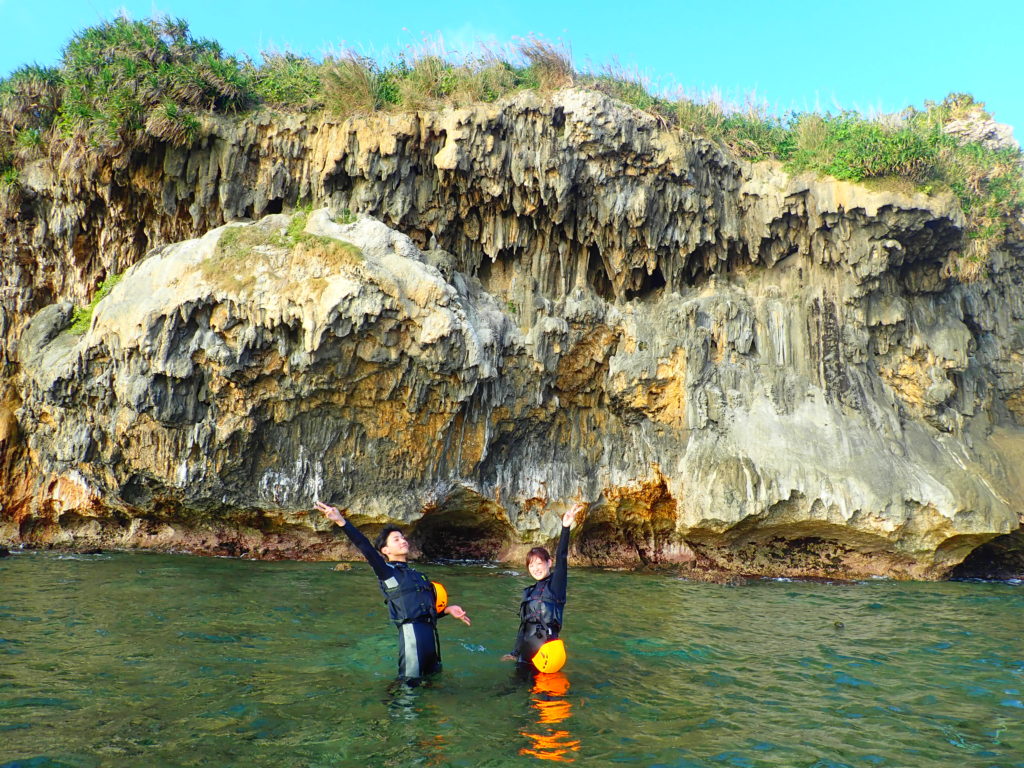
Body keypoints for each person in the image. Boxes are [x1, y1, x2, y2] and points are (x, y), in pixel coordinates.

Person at [314, 501, 471, 682]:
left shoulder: (418, 575)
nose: (403, 541)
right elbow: (364, 546)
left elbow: (422, 610)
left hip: (431, 636)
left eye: (403, 538)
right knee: (408, 685)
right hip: (412, 635)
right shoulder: (388, 573)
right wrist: (341, 521)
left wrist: (447, 610)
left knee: (433, 682)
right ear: (385, 550)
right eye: (396, 539)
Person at [504, 502, 584, 671]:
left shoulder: (556, 586)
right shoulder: (529, 592)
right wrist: (515, 652)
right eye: (531, 565)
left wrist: (565, 528)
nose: (535, 568)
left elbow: (562, 558)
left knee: (544, 689)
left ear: (549, 563)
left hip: (547, 655)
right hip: (525, 655)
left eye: (539, 563)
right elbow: (523, 627)